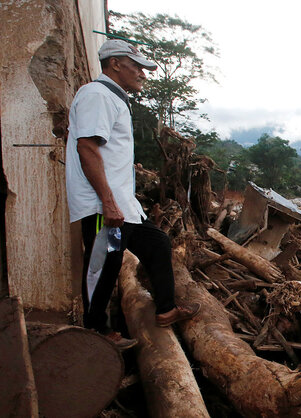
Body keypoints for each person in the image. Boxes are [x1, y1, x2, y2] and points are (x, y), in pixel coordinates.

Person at [65, 39, 199, 349]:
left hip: (120, 205)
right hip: (103, 206)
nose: (142, 73)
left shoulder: (113, 98)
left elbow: (108, 151)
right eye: (136, 66)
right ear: (114, 64)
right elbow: (87, 147)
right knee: (103, 263)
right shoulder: (97, 95)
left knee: (157, 243)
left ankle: (165, 309)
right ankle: (96, 331)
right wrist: (108, 202)